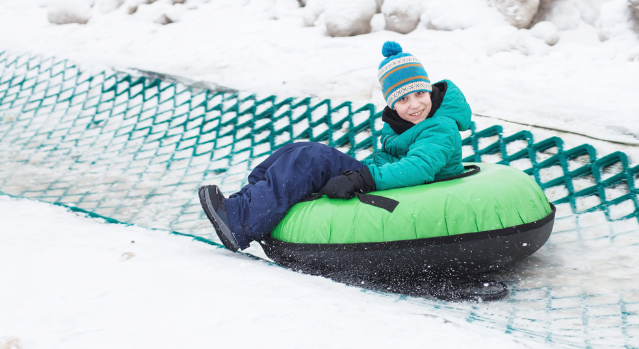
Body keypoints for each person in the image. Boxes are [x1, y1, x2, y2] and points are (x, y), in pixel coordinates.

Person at [198, 41, 472, 252]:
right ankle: (246, 203)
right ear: (391, 103)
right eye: (402, 100)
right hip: (385, 177)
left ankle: (241, 224)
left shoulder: (439, 127)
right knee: (296, 150)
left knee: (310, 159)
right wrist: (363, 173)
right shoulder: (402, 123)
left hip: (419, 188)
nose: (414, 105)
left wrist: (361, 178)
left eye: (420, 94)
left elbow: (419, 168)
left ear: (430, 90)